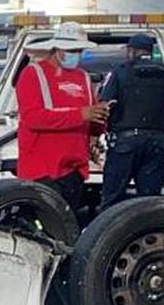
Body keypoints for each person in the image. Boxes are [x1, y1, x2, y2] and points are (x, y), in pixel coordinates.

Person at [15, 22, 111, 217]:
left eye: (78, 50)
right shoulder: (33, 74)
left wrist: (100, 120)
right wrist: (81, 114)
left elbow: (91, 117)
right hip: (42, 170)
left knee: (68, 224)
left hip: (73, 170)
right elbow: (32, 118)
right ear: (57, 49)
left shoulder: (82, 77)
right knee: (46, 222)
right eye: (71, 50)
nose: (75, 54)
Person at [97, 34, 164, 211]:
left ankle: (110, 236)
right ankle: (147, 236)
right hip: (156, 143)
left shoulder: (121, 72)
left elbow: (104, 106)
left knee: (112, 200)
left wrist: (97, 135)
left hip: (124, 143)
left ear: (132, 51)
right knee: (150, 202)